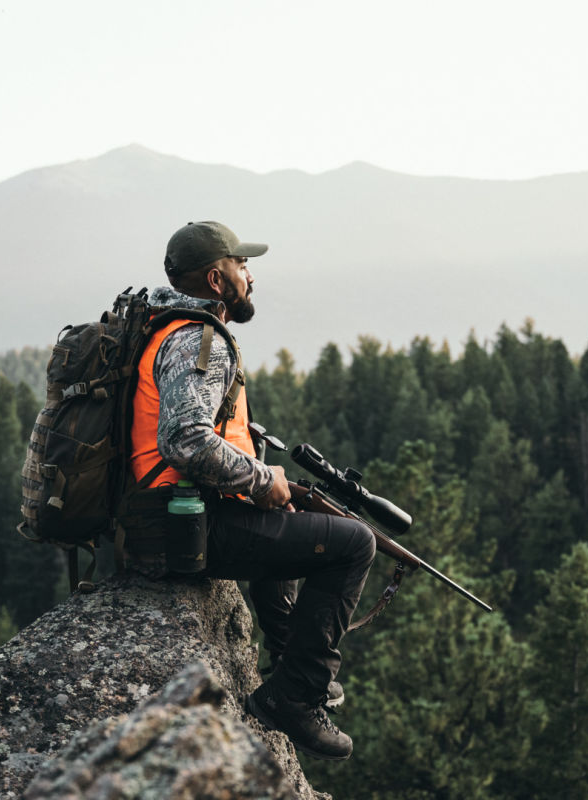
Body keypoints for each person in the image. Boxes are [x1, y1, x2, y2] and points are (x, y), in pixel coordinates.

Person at [125, 221, 376, 761]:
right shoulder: (200, 339)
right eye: (242, 266)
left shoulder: (164, 327)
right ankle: (294, 696)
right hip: (182, 527)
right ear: (217, 279)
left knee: (288, 519)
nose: (251, 276)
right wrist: (262, 481)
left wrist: (261, 474)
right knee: (355, 544)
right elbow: (184, 439)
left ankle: (290, 662)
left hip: (162, 519)